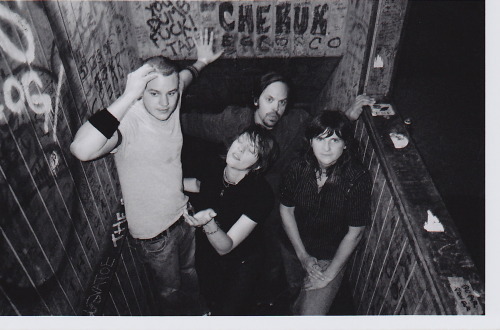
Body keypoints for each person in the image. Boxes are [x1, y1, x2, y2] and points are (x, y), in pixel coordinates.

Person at [181, 71, 375, 305]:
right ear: (256, 100)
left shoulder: (294, 123)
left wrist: (348, 116)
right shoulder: (233, 121)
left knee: (273, 252)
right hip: (234, 196)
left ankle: (271, 296)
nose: (276, 109)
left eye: (282, 102)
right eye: (269, 100)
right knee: (224, 255)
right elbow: (192, 123)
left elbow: (323, 133)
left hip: (272, 198)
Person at [70, 29, 222, 315]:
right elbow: (81, 149)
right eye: (153, 93)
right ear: (142, 91)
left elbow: (186, 76)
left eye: (171, 93)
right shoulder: (129, 124)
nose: (164, 103)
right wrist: (129, 96)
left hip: (183, 217)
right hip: (155, 236)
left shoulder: (173, 98)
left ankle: (201, 314)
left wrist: (201, 61)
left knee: (190, 273)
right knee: (170, 292)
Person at [279, 111, 372, 315]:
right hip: (293, 246)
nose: (327, 147)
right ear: (310, 141)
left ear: (346, 144)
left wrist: (329, 275)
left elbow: (355, 233)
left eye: (335, 139)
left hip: (329, 256)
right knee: (293, 290)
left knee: (310, 315)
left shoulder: (357, 178)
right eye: (320, 139)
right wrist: (302, 255)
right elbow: (286, 210)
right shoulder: (296, 168)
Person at [182, 126, 279, 315]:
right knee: (209, 301)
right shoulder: (215, 164)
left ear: (258, 165)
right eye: (240, 141)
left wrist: (207, 223)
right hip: (208, 254)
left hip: (242, 263)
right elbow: (199, 184)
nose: (239, 150)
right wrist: (167, 183)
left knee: (229, 313)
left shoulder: (261, 194)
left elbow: (225, 246)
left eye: (251, 150)